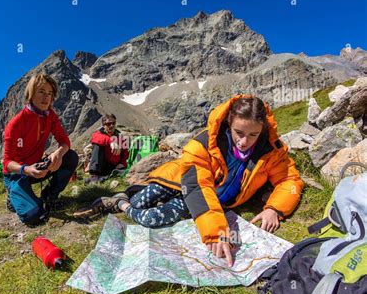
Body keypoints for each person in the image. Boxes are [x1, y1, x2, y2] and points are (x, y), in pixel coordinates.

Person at [74, 95, 304, 266]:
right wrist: (216, 232)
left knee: (151, 218)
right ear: (228, 123)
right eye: (239, 133)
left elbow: (290, 179)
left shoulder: (271, 150)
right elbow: (198, 185)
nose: (244, 141)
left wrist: (274, 208)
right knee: (143, 200)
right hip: (179, 182)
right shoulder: (204, 142)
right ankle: (128, 196)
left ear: (263, 130)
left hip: (202, 198)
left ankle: (120, 202)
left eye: (253, 135)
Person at [3, 73, 79, 226]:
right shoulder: (16, 123)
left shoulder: (50, 116)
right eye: (41, 92)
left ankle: (50, 197)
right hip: (17, 172)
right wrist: (26, 169)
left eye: (50, 94)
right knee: (34, 217)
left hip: (37, 166)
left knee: (70, 156)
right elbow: (7, 163)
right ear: (31, 93)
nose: (46, 97)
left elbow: (65, 142)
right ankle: (13, 195)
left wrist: (58, 153)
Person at [86, 114, 129, 183]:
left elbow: (125, 153)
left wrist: (122, 163)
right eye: (109, 124)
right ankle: (94, 175)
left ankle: (108, 175)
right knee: (98, 145)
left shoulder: (120, 137)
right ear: (104, 125)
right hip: (101, 165)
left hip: (114, 165)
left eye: (113, 123)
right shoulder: (99, 133)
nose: (111, 126)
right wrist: (111, 141)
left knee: (118, 171)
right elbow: (95, 138)